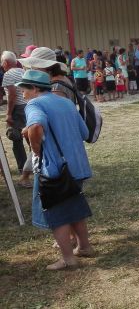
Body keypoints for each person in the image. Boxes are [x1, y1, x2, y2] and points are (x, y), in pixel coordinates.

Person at [15, 68, 93, 270]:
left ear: (33, 88)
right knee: (75, 208)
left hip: (55, 169)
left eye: (24, 90)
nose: (22, 94)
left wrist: (35, 149)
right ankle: (84, 246)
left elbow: (36, 127)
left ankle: (68, 258)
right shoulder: (66, 102)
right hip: (77, 165)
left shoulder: (35, 103)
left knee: (57, 214)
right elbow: (84, 132)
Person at [1, 51, 32, 187]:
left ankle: (23, 171)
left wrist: (8, 114)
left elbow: (12, 95)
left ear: (6, 63)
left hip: (17, 109)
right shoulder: (22, 71)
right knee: (30, 138)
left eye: (2, 62)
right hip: (27, 105)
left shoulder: (8, 74)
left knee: (16, 139)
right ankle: (35, 166)